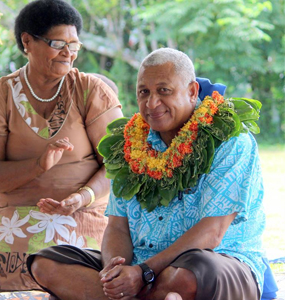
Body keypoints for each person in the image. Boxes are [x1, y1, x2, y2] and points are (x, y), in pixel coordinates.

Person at [26, 48, 270, 300]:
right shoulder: (129, 145)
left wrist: (144, 273)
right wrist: (116, 272)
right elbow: (118, 226)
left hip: (216, 261)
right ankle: (149, 295)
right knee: (44, 262)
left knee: (190, 275)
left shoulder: (230, 140)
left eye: (164, 91)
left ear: (192, 91)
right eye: (144, 92)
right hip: (139, 266)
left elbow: (212, 232)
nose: (152, 103)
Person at [0, 0, 122, 295]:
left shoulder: (91, 91)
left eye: (74, 45)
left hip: (81, 216)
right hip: (14, 220)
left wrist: (81, 197)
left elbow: (118, 163)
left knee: (80, 276)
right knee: (6, 279)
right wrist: (38, 166)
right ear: (27, 41)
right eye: (58, 43)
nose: (68, 53)